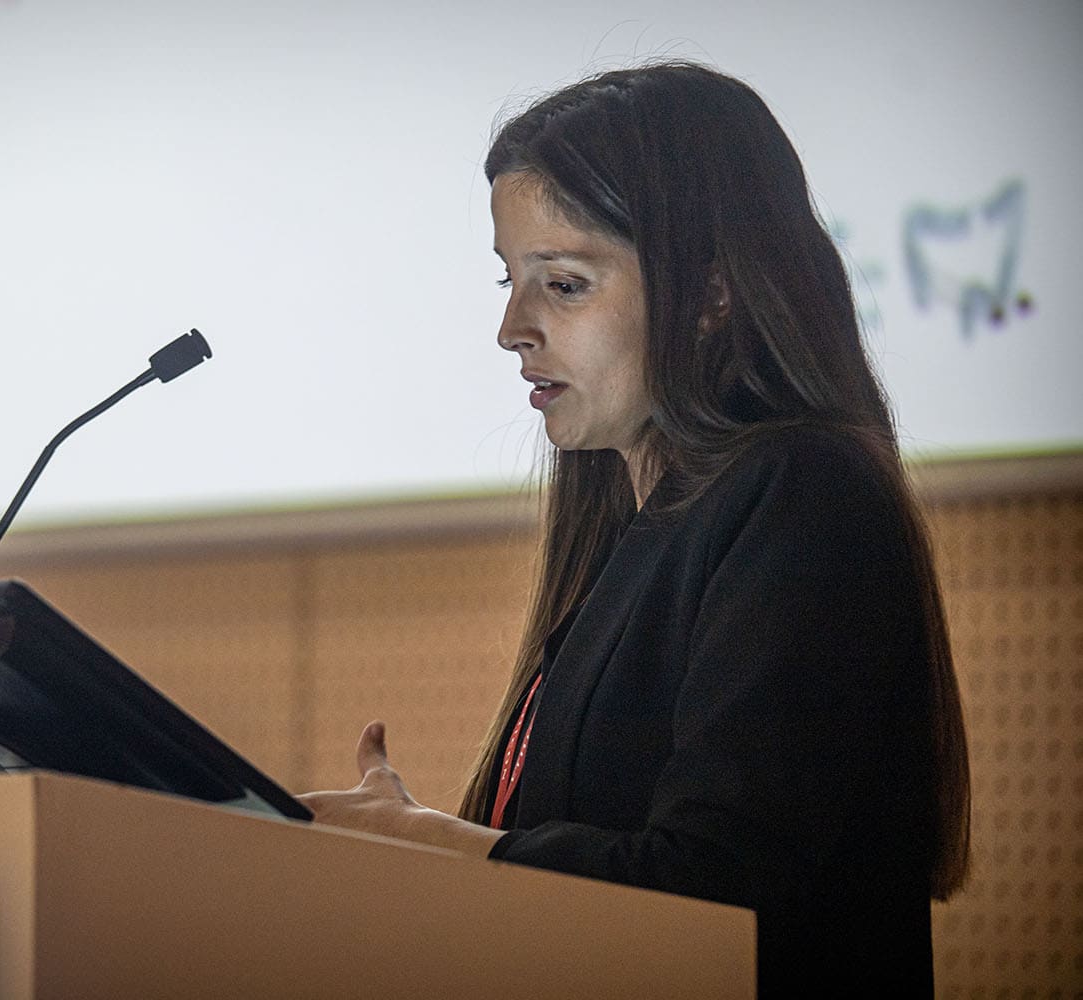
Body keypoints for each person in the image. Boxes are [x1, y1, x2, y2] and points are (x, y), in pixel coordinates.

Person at [298, 62, 970, 997]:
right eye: (510, 280)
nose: (512, 327)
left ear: (712, 294)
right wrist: (431, 853)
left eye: (564, 284)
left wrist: (435, 846)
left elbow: (722, 899)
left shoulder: (805, 493)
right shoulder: (633, 534)